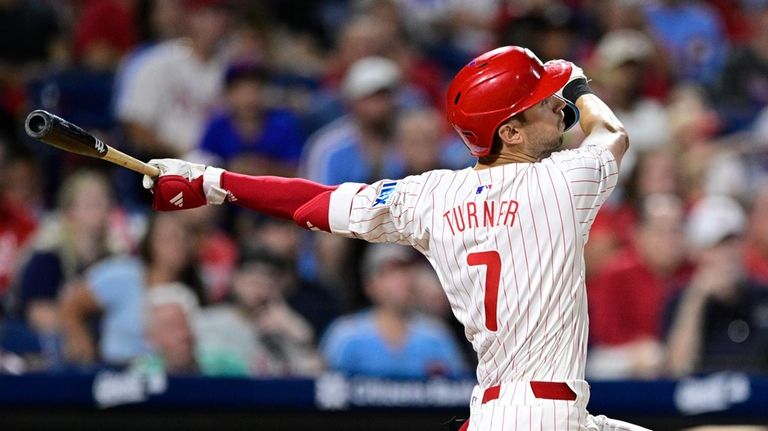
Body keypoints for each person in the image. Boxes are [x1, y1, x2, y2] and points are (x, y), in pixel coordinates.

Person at [142, 46, 648, 430]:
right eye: (544, 101)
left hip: (507, 408)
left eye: (557, 97)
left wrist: (213, 181)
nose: (560, 106)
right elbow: (612, 133)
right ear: (510, 132)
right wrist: (580, 84)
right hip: (542, 414)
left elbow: (316, 202)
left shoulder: (431, 195)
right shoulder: (563, 181)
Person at [320, 243, 468, 379]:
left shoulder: (436, 335)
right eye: (392, 272)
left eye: (406, 271)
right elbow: (324, 390)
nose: (403, 280)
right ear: (370, 285)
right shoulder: (346, 335)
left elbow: (460, 390)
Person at [664, 195, 768, 376]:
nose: (729, 254)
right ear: (698, 252)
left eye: (734, 243)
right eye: (718, 245)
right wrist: (696, 299)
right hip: (700, 400)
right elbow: (677, 370)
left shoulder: (762, 296)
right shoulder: (680, 300)